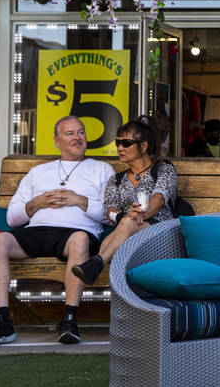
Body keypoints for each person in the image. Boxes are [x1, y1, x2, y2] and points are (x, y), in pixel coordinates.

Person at [0, 116, 115, 345]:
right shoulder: (37, 172)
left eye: (81, 132)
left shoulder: (101, 169)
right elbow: (12, 217)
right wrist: (37, 203)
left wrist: (79, 200)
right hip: (37, 231)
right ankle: (3, 321)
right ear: (56, 140)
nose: (78, 137)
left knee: (80, 240)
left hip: (76, 232)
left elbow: (110, 214)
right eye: (70, 133)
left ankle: (69, 319)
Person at [71, 118, 178, 286]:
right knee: (127, 222)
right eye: (118, 143)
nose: (120, 148)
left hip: (161, 231)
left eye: (126, 143)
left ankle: (96, 264)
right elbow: (110, 210)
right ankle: (96, 264)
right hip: (127, 234)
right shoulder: (116, 179)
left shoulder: (163, 169)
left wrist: (138, 214)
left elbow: (159, 199)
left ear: (143, 146)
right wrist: (123, 215)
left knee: (128, 222)